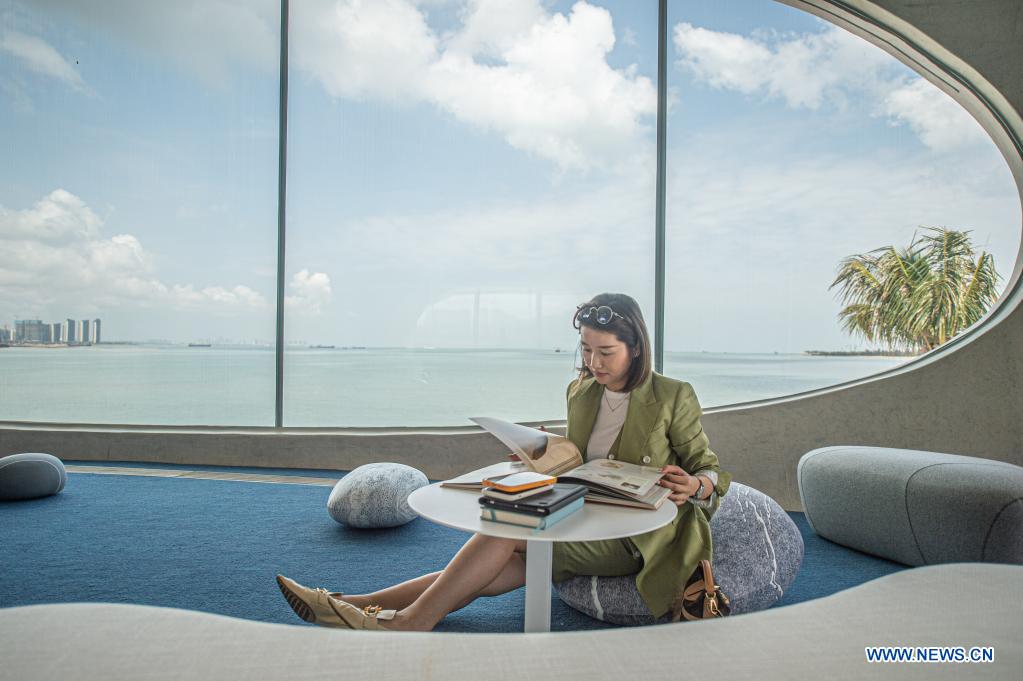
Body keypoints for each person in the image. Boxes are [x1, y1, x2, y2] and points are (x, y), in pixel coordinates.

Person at [276, 292, 730, 630]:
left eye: (605, 352)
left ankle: (401, 619)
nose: (593, 362)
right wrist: (537, 452)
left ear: (635, 346)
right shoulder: (581, 392)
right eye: (586, 350)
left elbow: (708, 466)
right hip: (580, 510)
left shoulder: (673, 395)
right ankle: (359, 603)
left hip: (636, 531)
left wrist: (698, 485)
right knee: (503, 556)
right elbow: (576, 459)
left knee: (502, 535)